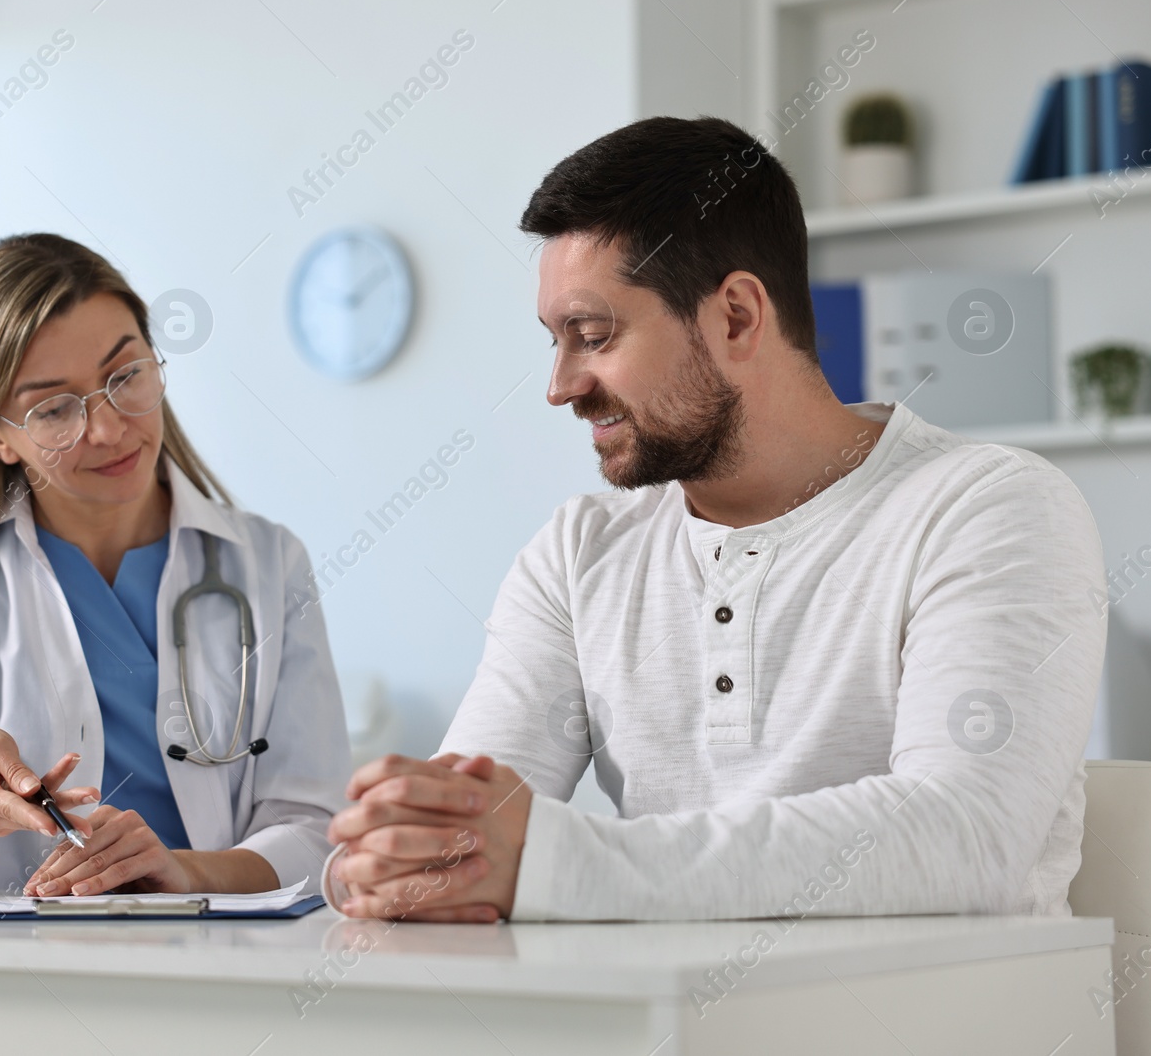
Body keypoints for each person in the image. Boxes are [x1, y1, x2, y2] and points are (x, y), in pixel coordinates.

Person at [322, 116, 1107, 923]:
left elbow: (963, 840)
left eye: (592, 335)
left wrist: (554, 862)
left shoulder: (990, 508)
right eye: (556, 341)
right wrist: (390, 857)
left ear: (735, 315)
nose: (560, 385)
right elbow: (464, 836)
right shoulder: (578, 553)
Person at [0, 233, 351, 896]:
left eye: (126, 375)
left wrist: (181, 871)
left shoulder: (268, 563)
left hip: (227, 972)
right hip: (17, 980)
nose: (107, 429)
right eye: (53, 407)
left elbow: (316, 829)